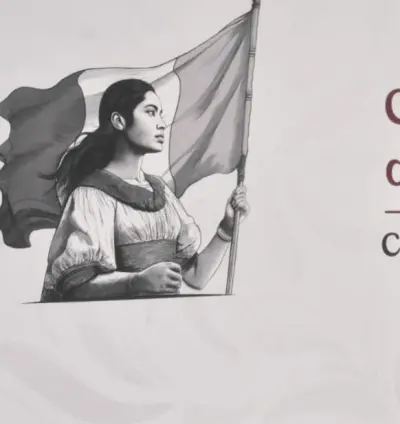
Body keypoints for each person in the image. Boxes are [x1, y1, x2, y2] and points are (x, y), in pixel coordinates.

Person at [39, 78, 250, 302]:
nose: (161, 124)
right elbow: (76, 287)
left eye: (160, 114)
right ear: (119, 121)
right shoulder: (91, 194)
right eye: (150, 112)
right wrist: (136, 282)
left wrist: (227, 228)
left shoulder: (162, 192)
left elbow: (195, 277)